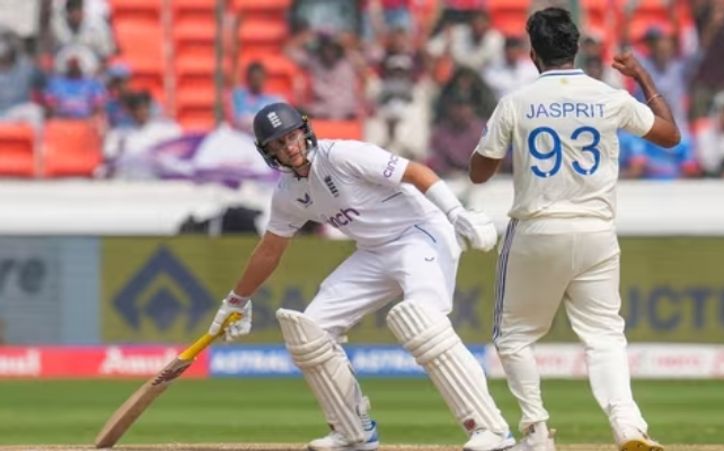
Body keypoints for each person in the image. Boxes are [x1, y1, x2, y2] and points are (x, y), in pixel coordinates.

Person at [206, 102, 515, 451]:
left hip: (422, 233)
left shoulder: (343, 155)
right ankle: (353, 432)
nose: (288, 148)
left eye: (291, 137)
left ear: (304, 131)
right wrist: (236, 300)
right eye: (277, 144)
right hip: (374, 251)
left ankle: (492, 429)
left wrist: (457, 213)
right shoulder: (288, 194)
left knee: (422, 322)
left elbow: (415, 172)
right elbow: (270, 249)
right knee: (310, 330)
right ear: (267, 152)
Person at [468, 8, 679, 451]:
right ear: (576, 48)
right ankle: (628, 427)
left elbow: (479, 173)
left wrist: (504, 141)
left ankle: (536, 431)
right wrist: (643, 78)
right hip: (597, 231)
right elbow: (669, 136)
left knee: (514, 336)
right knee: (605, 336)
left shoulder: (516, 101)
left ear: (532, 54)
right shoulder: (609, 96)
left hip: (538, 228)